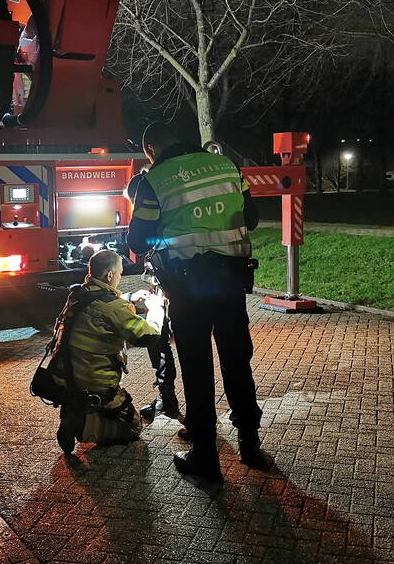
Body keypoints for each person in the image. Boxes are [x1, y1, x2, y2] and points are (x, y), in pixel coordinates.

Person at [127, 122, 266, 481]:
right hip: (231, 281)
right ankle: (250, 443)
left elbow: (138, 240)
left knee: (197, 367)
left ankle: (205, 455)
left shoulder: (154, 180)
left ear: (151, 150)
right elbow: (251, 218)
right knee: (237, 360)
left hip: (188, 286)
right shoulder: (227, 166)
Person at [51, 249, 162, 453]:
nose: (120, 276)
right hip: (95, 380)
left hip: (63, 374)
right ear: (110, 275)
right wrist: (156, 310)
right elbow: (148, 336)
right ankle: (84, 424)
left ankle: (73, 412)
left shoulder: (77, 294)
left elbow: (100, 304)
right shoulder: (113, 307)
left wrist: (130, 298)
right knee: (134, 427)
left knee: (82, 398)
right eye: (120, 273)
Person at [124, 172, 180, 422]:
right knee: (157, 341)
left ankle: (192, 412)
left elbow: (138, 241)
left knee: (171, 343)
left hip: (178, 286)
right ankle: (167, 398)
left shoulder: (157, 211)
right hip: (170, 283)